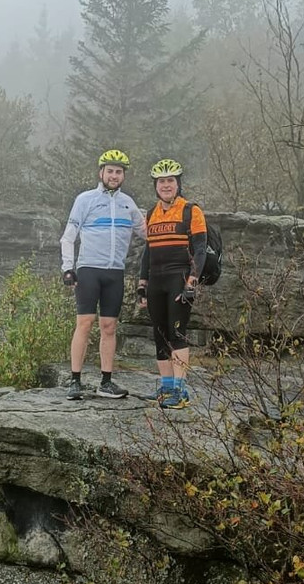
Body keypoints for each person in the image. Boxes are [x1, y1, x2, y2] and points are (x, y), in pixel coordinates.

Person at [60, 149, 147, 400]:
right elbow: (68, 236)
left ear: (123, 176)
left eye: (119, 172)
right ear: (101, 172)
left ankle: (106, 382)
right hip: (89, 269)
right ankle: (75, 380)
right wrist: (68, 268)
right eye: (110, 171)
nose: (114, 175)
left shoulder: (128, 204)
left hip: (114, 273)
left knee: (109, 327)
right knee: (84, 324)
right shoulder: (85, 199)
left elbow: (148, 234)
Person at [137, 158, 205, 409]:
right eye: (161, 181)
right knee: (160, 335)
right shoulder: (152, 213)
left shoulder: (191, 210)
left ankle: (180, 391)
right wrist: (142, 284)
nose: (166, 185)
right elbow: (147, 251)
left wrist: (192, 282)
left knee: (177, 334)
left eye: (170, 181)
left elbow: (200, 250)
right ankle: (166, 388)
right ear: (155, 185)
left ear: (178, 184)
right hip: (156, 280)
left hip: (179, 278)